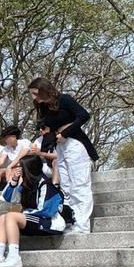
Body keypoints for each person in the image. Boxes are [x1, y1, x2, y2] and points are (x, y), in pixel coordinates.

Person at [28, 77, 98, 234]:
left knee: (80, 184)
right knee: (66, 186)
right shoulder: (44, 108)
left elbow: (83, 115)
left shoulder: (64, 99)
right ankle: (72, 221)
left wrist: (65, 133)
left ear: (43, 89)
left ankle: (83, 225)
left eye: (35, 93)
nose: (34, 97)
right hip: (60, 147)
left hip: (75, 144)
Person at [0, 155, 66, 267]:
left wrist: (25, 214)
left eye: (21, 167)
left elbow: (47, 211)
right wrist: (14, 181)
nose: (19, 169)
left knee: (11, 216)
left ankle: (14, 257)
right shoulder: (27, 184)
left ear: (29, 168)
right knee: (3, 217)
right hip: (33, 220)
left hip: (49, 222)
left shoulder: (45, 184)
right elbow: (9, 198)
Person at [0, 125, 32, 201]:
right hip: (12, 169)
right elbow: (1, 160)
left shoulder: (25, 142)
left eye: (6, 138)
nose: (5, 140)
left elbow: (21, 156)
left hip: (26, 168)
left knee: (14, 169)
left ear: (13, 136)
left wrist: (10, 166)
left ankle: (7, 194)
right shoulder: (6, 148)